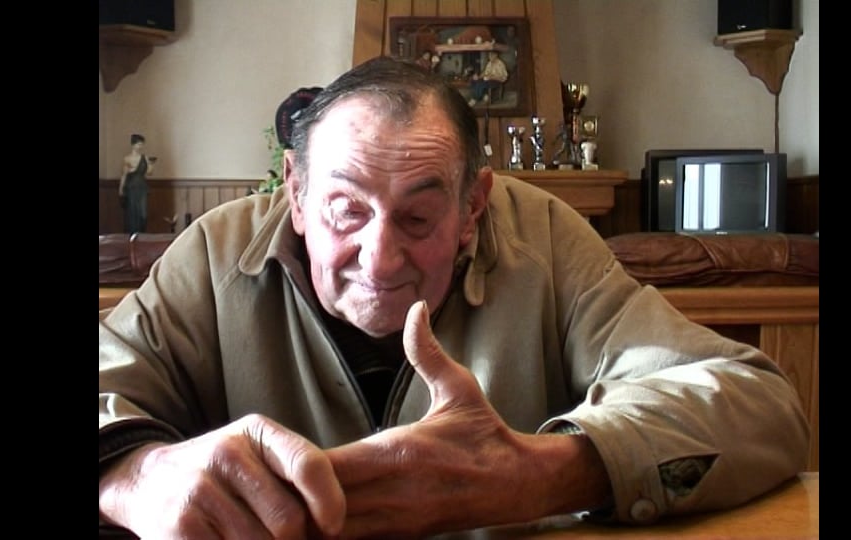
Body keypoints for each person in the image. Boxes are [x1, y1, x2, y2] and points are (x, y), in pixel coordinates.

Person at [99, 56, 808, 539]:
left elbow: (757, 403)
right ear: (297, 191)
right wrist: (137, 475)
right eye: (346, 209)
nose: (379, 259)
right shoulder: (215, 254)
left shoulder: (545, 238)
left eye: (417, 216)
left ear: (473, 206)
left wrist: (540, 476)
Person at [118, 133, 156, 234]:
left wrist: (151, 165)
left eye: (142, 144)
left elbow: (149, 173)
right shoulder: (127, 158)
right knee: (131, 212)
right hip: (131, 187)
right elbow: (124, 175)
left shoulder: (145, 157)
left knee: (143, 213)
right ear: (133, 145)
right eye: (139, 144)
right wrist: (121, 189)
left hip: (142, 187)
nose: (141, 146)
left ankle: (142, 233)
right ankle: (131, 234)